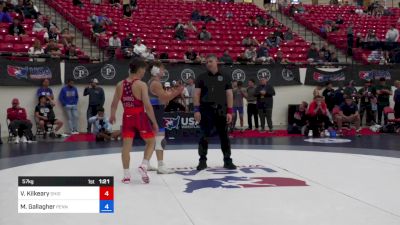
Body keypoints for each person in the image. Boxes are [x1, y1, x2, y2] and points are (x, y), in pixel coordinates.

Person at [109, 59, 159, 184]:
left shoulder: (120, 84)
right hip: (140, 117)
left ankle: (126, 176)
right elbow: (147, 106)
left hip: (127, 117)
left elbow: (114, 104)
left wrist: (112, 115)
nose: (144, 73)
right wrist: (154, 122)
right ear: (140, 69)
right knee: (151, 141)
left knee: (126, 146)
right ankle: (144, 165)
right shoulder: (141, 85)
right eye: (144, 70)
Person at [194, 54, 236, 170]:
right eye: (207, 62)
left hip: (221, 110)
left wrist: (230, 111)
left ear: (216, 62)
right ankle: (202, 161)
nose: (208, 63)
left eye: (210, 61)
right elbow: (196, 94)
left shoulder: (225, 76)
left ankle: (227, 160)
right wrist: (196, 110)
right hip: (205, 110)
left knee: (224, 137)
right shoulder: (201, 77)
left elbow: (229, 94)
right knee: (204, 136)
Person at [147, 61, 184, 173]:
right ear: (156, 70)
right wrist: (177, 91)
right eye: (162, 69)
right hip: (156, 111)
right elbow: (165, 98)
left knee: (153, 140)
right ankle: (161, 166)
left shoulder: (153, 82)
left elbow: (163, 98)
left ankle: (147, 163)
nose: (164, 71)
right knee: (160, 139)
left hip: (155, 110)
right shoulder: (155, 83)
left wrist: (171, 92)